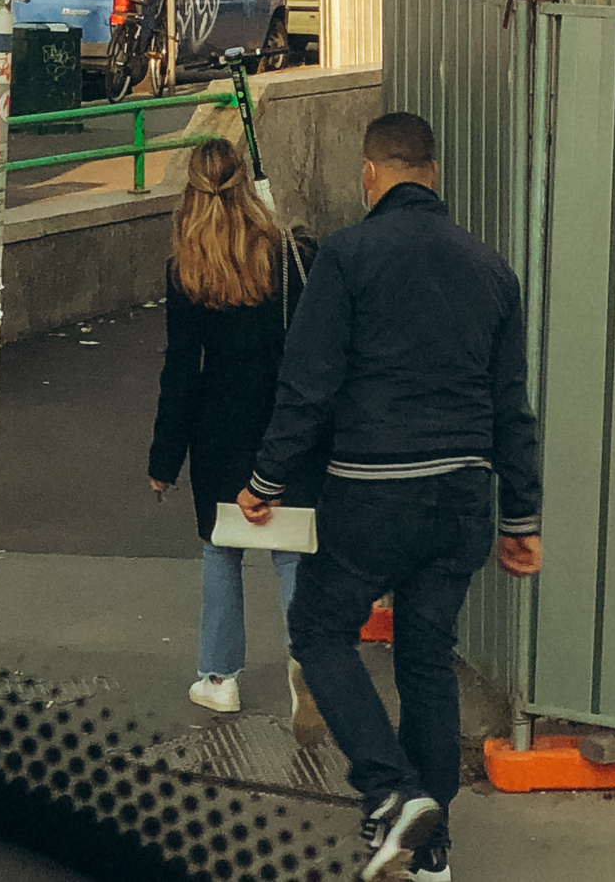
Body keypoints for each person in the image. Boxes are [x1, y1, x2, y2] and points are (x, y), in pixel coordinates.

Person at [238, 110, 541, 882]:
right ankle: (431, 847)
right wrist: (522, 515)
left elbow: (307, 385)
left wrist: (266, 480)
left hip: (374, 489)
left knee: (319, 626)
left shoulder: (347, 256)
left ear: (370, 174)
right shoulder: (492, 268)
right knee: (427, 660)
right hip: (464, 496)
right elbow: (512, 404)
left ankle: (391, 789)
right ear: (433, 173)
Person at [145, 139, 323, 735]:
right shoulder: (284, 257)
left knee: (222, 550)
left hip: (218, 429)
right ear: (246, 185)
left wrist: (165, 458)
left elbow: (181, 370)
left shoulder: (186, 270)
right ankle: (309, 663)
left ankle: (220, 678)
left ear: (191, 194)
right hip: (283, 424)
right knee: (292, 548)